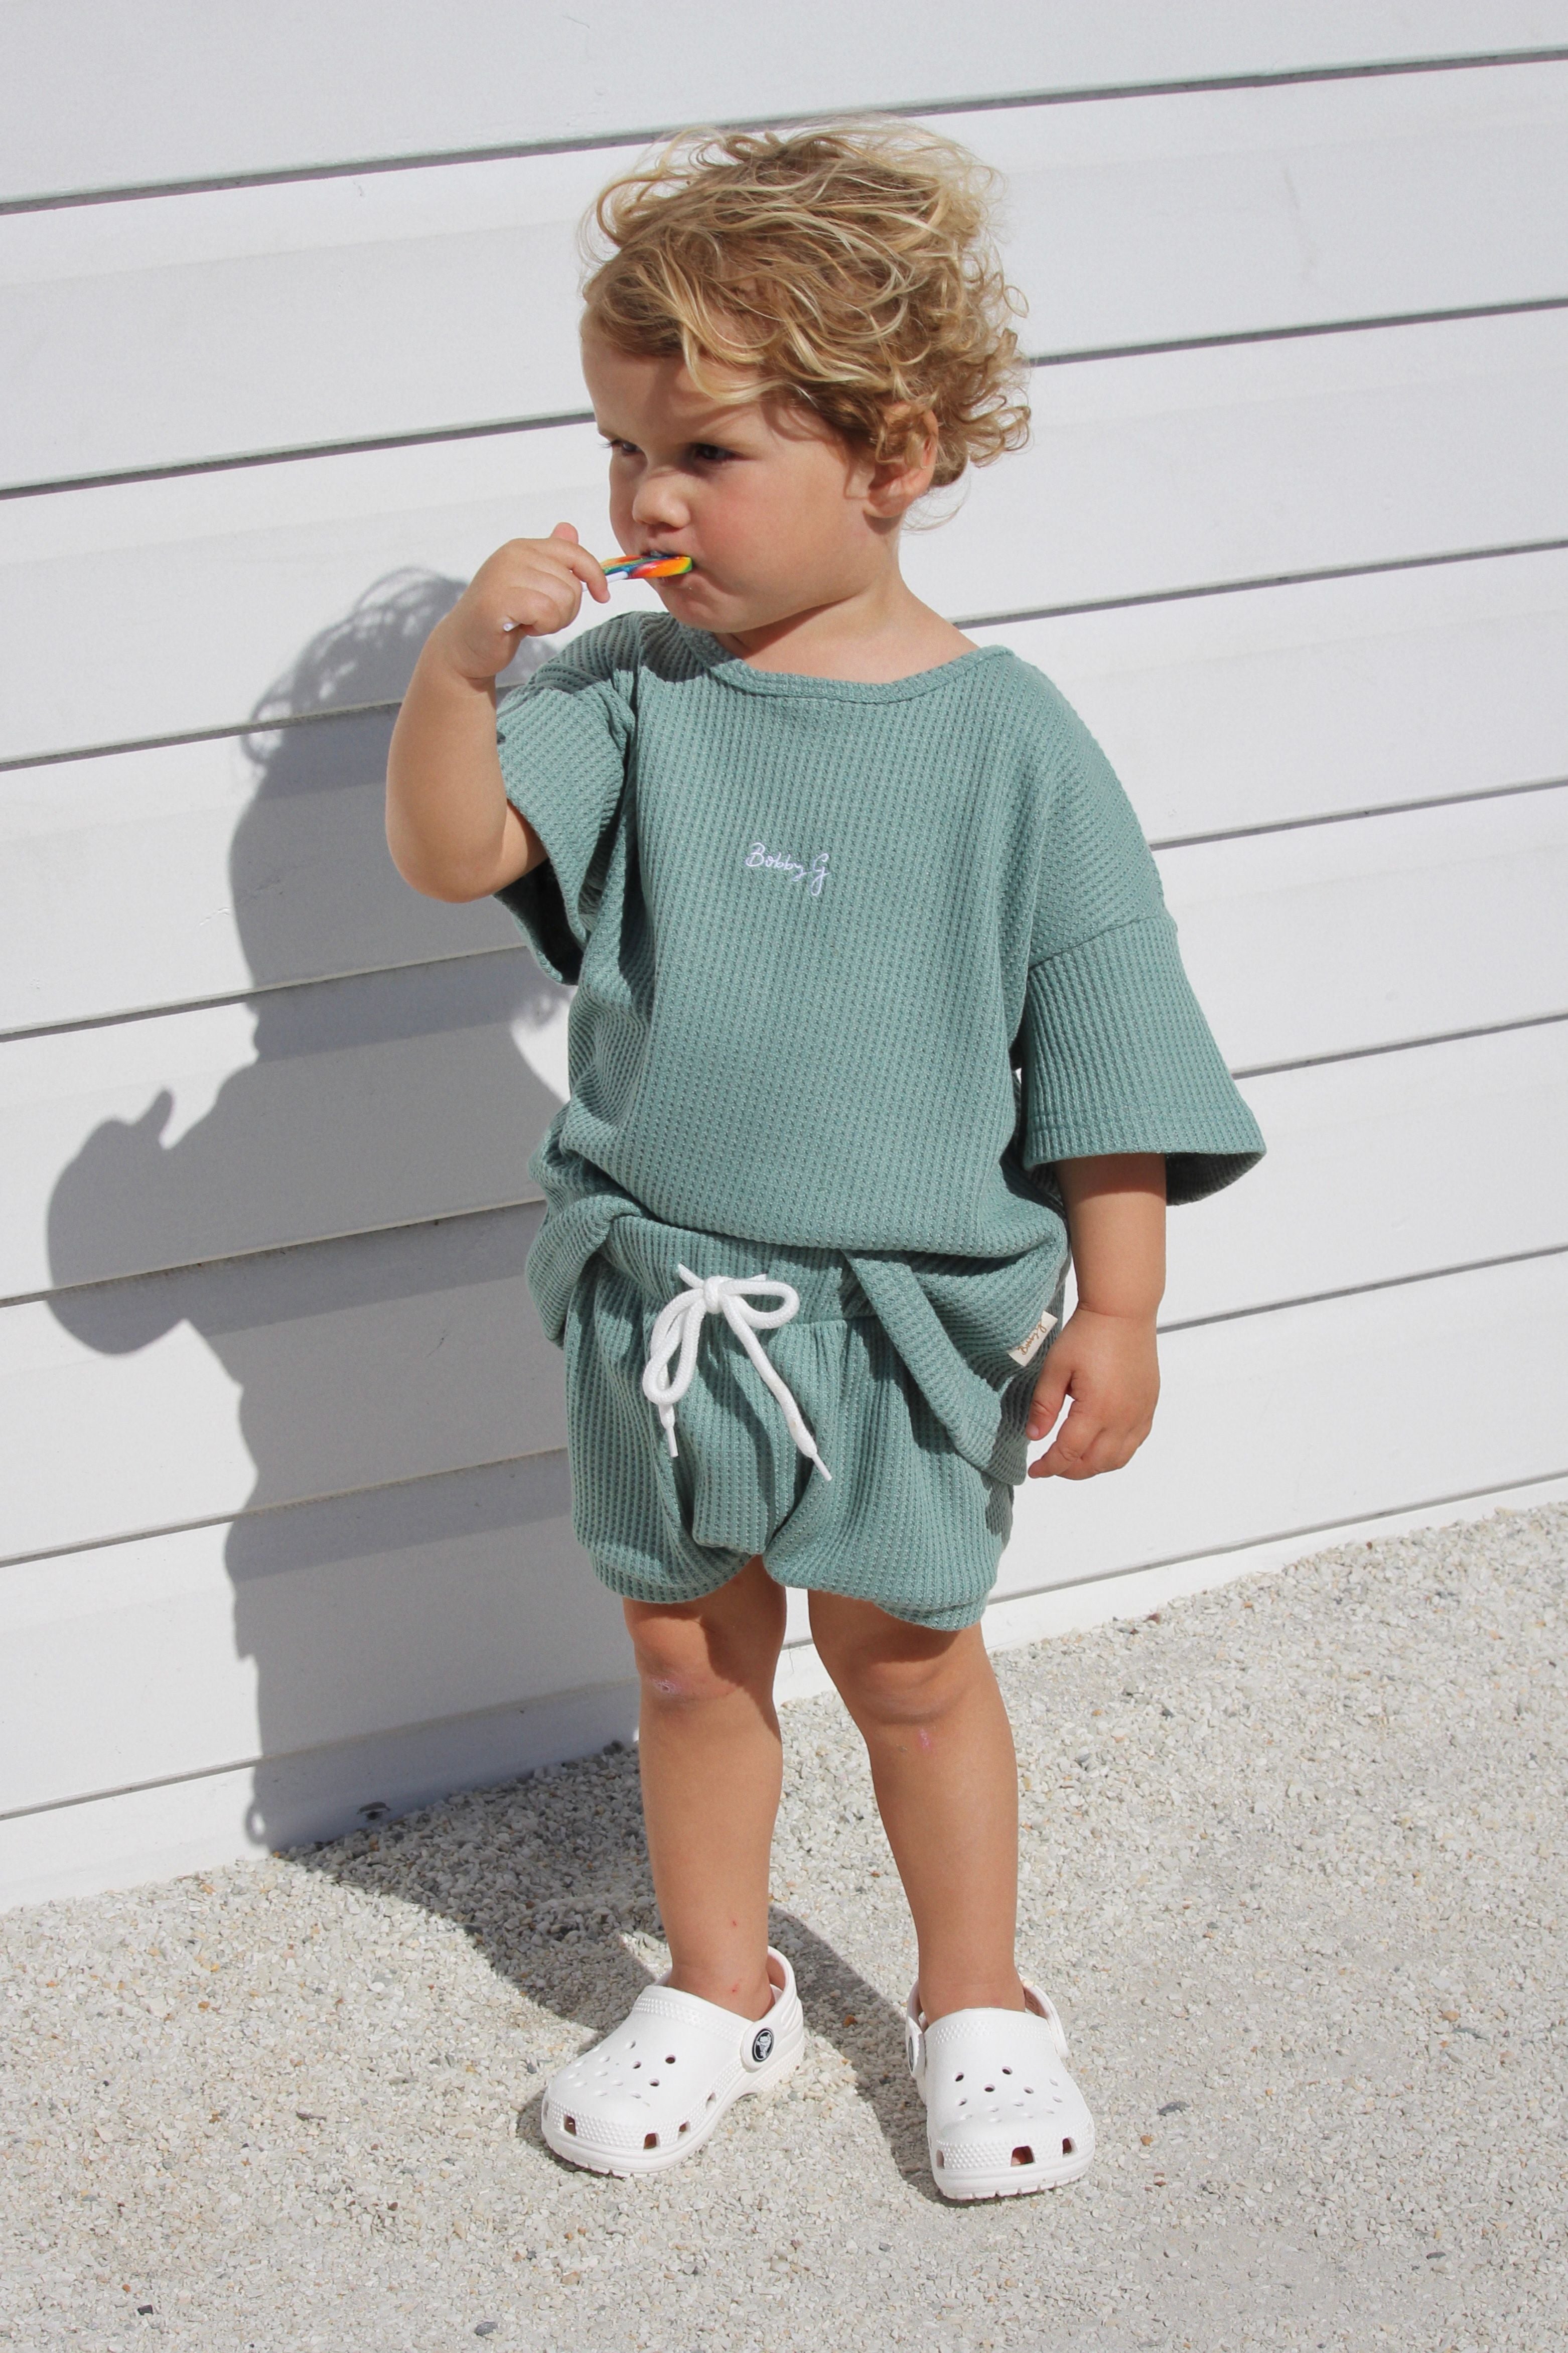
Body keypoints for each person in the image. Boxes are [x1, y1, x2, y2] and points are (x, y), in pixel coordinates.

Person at [385, 119, 1264, 2201]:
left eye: (702, 453)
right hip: (661, 1300)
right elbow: (453, 851)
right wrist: (457, 671)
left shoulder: (1011, 738)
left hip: (905, 1315)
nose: (643, 503)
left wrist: (1117, 1302)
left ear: (896, 455)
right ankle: (721, 1980)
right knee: (686, 1657)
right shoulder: (624, 697)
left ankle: (975, 1996)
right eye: (620, 452)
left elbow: (1103, 1036)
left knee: (911, 1664)